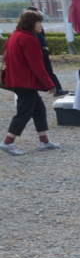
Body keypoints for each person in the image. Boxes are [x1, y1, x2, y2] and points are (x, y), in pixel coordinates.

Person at [1, 10, 60, 155]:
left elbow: (5, 57)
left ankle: (44, 140)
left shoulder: (13, 36)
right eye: (39, 22)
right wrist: (49, 84)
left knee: (38, 108)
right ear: (31, 23)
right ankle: (8, 141)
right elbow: (37, 65)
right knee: (24, 112)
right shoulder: (29, 39)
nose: (41, 25)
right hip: (25, 81)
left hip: (15, 79)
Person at [29, 8, 65, 97]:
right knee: (44, 69)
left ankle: (57, 88)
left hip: (43, 49)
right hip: (38, 50)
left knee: (48, 69)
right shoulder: (28, 30)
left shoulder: (38, 26)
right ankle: (54, 88)